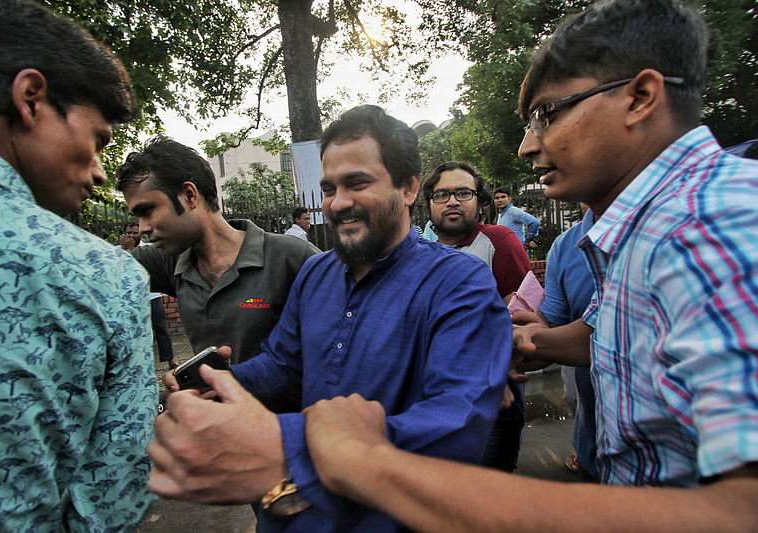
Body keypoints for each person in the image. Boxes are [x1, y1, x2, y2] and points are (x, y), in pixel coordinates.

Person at [299, 0, 758, 530]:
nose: (526, 146)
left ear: (640, 97)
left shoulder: (711, 224)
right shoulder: (645, 231)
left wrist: (365, 462)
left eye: (548, 114)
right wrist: (521, 341)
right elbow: (622, 338)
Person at [147, 105, 512, 532]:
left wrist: (288, 447)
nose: (338, 203)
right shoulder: (316, 273)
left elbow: (457, 422)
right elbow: (284, 364)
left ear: (409, 187)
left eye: (357, 183)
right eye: (328, 188)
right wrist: (221, 385)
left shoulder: (460, 283)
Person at [0, 0, 157, 531]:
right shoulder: (105, 277)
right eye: (96, 142)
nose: (97, 173)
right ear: (30, 99)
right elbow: (112, 497)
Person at [116, 136, 319, 367]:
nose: (142, 228)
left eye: (148, 210)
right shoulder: (170, 262)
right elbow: (89, 271)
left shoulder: (291, 257)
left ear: (189, 195)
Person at [422, 160, 532, 471]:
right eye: (441, 194)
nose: (452, 201)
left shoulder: (498, 241)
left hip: (493, 393)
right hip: (435, 395)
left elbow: (522, 314)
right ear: (428, 205)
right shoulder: (420, 251)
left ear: (480, 203)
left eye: (463, 193)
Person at [521, 204, 598, 479]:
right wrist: (520, 339)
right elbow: (555, 328)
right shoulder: (565, 246)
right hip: (595, 451)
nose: (527, 157)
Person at [119, 220, 177, 369]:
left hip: (152, 297)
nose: (131, 235)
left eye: (134, 232)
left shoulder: (150, 249)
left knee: (161, 328)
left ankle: (170, 360)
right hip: (133, 300)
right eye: (129, 232)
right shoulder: (117, 251)